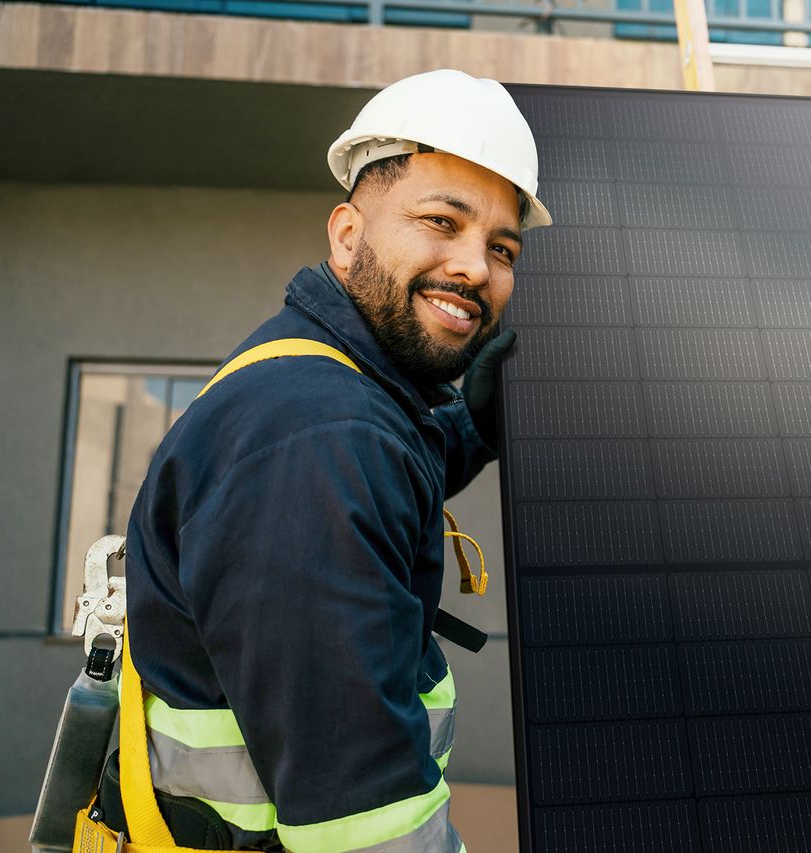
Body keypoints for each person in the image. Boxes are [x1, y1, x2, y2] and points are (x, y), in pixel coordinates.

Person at [111, 69, 552, 851]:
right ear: (348, 235)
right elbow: (366, 831)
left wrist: (468, 429)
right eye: (442, 221)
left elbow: (367, 478)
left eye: (501, 246)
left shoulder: (321, 385)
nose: (477, 269)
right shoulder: (317, 435)